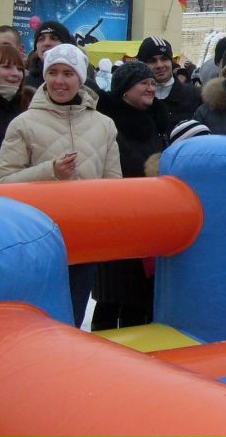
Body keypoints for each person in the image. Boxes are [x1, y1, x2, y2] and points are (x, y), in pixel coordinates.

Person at [0, 43, 122, 326]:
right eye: (53, 72)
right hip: (35, 242)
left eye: (67, 73)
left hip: (84, 241)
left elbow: (114, 186)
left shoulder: (104, 125)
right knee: (37, 325)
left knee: (72, 322)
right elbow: (1, 184)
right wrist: (50, 171)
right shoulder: (23, 124)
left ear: (80, 78)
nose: (59, 81)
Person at [93, 61, 171, 329]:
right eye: (144, 83)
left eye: (152, 83)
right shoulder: (107, 123)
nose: (151, 88)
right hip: (116, 217)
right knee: (111, 297)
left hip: (149, 219)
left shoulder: (159, 120)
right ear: (125, 90)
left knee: (139, 298)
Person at [137, 37, 202, 130]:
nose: (159, 65)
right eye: (152, 61)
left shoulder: (194, 95)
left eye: (164, 59)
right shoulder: (136, 98)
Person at [0, 44, 30, 182]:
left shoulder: (29, 107)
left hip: (18, 195)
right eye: (6, 67)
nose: (15, 74)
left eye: (20, 69)